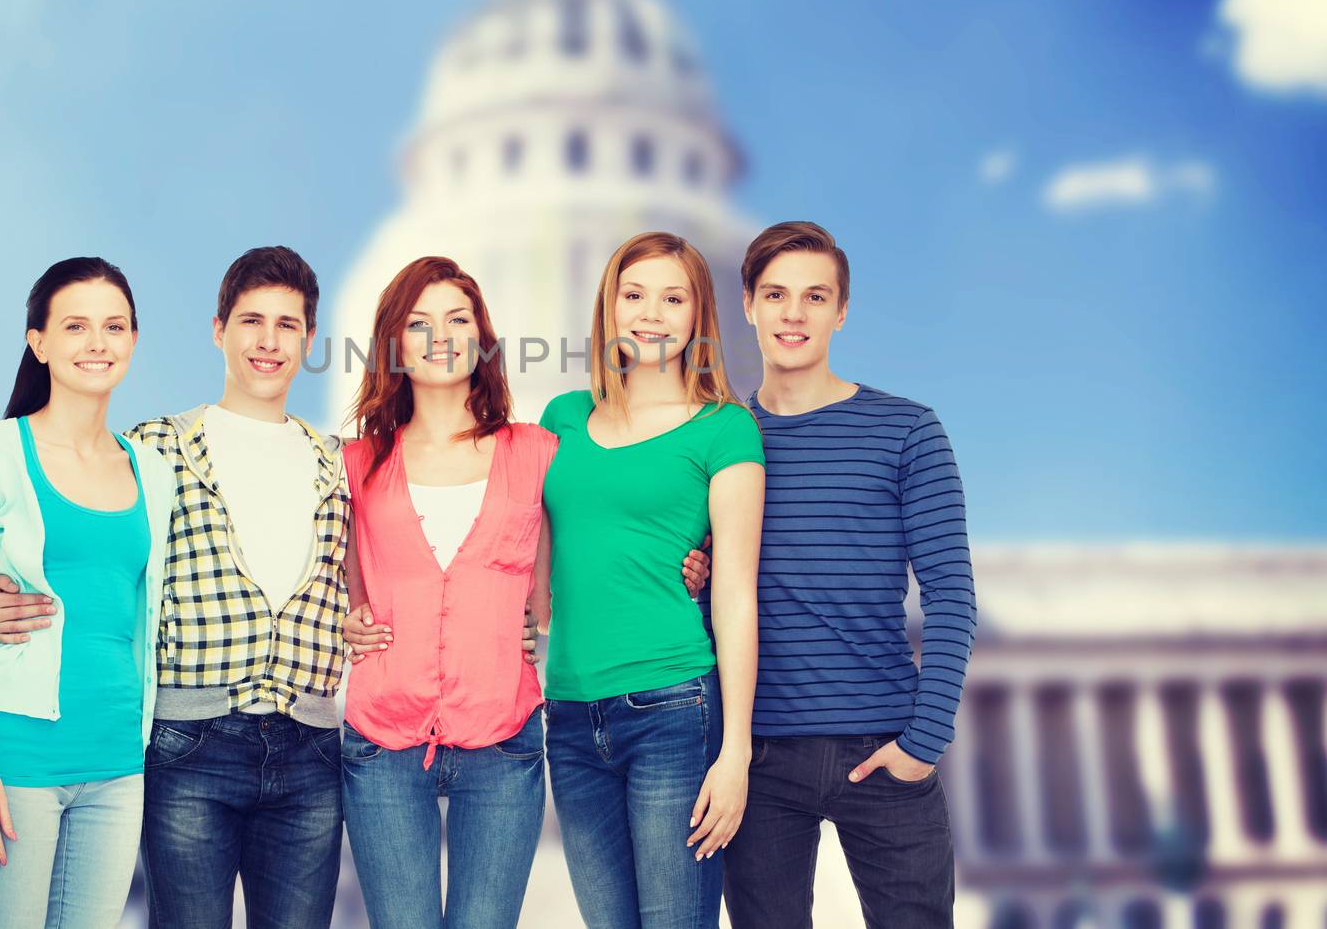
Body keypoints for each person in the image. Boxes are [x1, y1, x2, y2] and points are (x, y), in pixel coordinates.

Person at [337, 256, 712, 929]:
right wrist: (346, 620)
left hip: (503, 740)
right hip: (382, 740)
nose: (441, 336)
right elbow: (332, 581)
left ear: (483, 338)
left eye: (458, 319)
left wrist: (693, 555)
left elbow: (612, 515)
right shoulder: (354, 462)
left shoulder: (540, 449)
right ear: (393, 342)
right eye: (419, 324)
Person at [0, 247, 350, 929]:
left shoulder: (340, 462)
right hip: (190, 743)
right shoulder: (153, 449)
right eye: (250, 321)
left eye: (288, 325)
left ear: (308, 339)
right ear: (218, 330)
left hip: (310, 752)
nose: (268, 341)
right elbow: (79, 537)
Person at [720, 221, 977, 929]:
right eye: (775, 295)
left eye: (814, 296)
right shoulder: (718, 439)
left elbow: (952, 596)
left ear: (841, 311)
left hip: (885, 751)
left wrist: (923, 744)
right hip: (759, 760)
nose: (793, 314)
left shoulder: (907, 430)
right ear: (748, 304)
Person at [0, 256, 176, 928]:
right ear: (39, 343)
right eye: (76, 326)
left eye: (114, 326)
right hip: (17, 758)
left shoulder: (153, 472)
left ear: (132, 340)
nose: (97, 343)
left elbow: (141, 613)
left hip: (119, 764)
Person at [536, 231, 765, 929]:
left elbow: (733, 595)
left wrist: (735, 755)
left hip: (673, 708)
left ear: (699, 315)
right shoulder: (561, 419)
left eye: (673, 298)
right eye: (634, 295)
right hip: (571, 717)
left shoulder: (725, 429)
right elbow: (533, 574)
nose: (651, 314)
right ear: (609, 307)